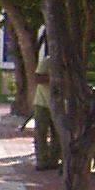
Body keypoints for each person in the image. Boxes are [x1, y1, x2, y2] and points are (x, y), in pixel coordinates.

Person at [31, 39, 60, 171]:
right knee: (41, 133)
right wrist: (54, 78)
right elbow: (37, 78)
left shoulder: (68, 64)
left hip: (60, 104)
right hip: (42, 102)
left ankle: (54, 159)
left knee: (58, 133)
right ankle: (42, 160)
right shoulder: (47, 61)